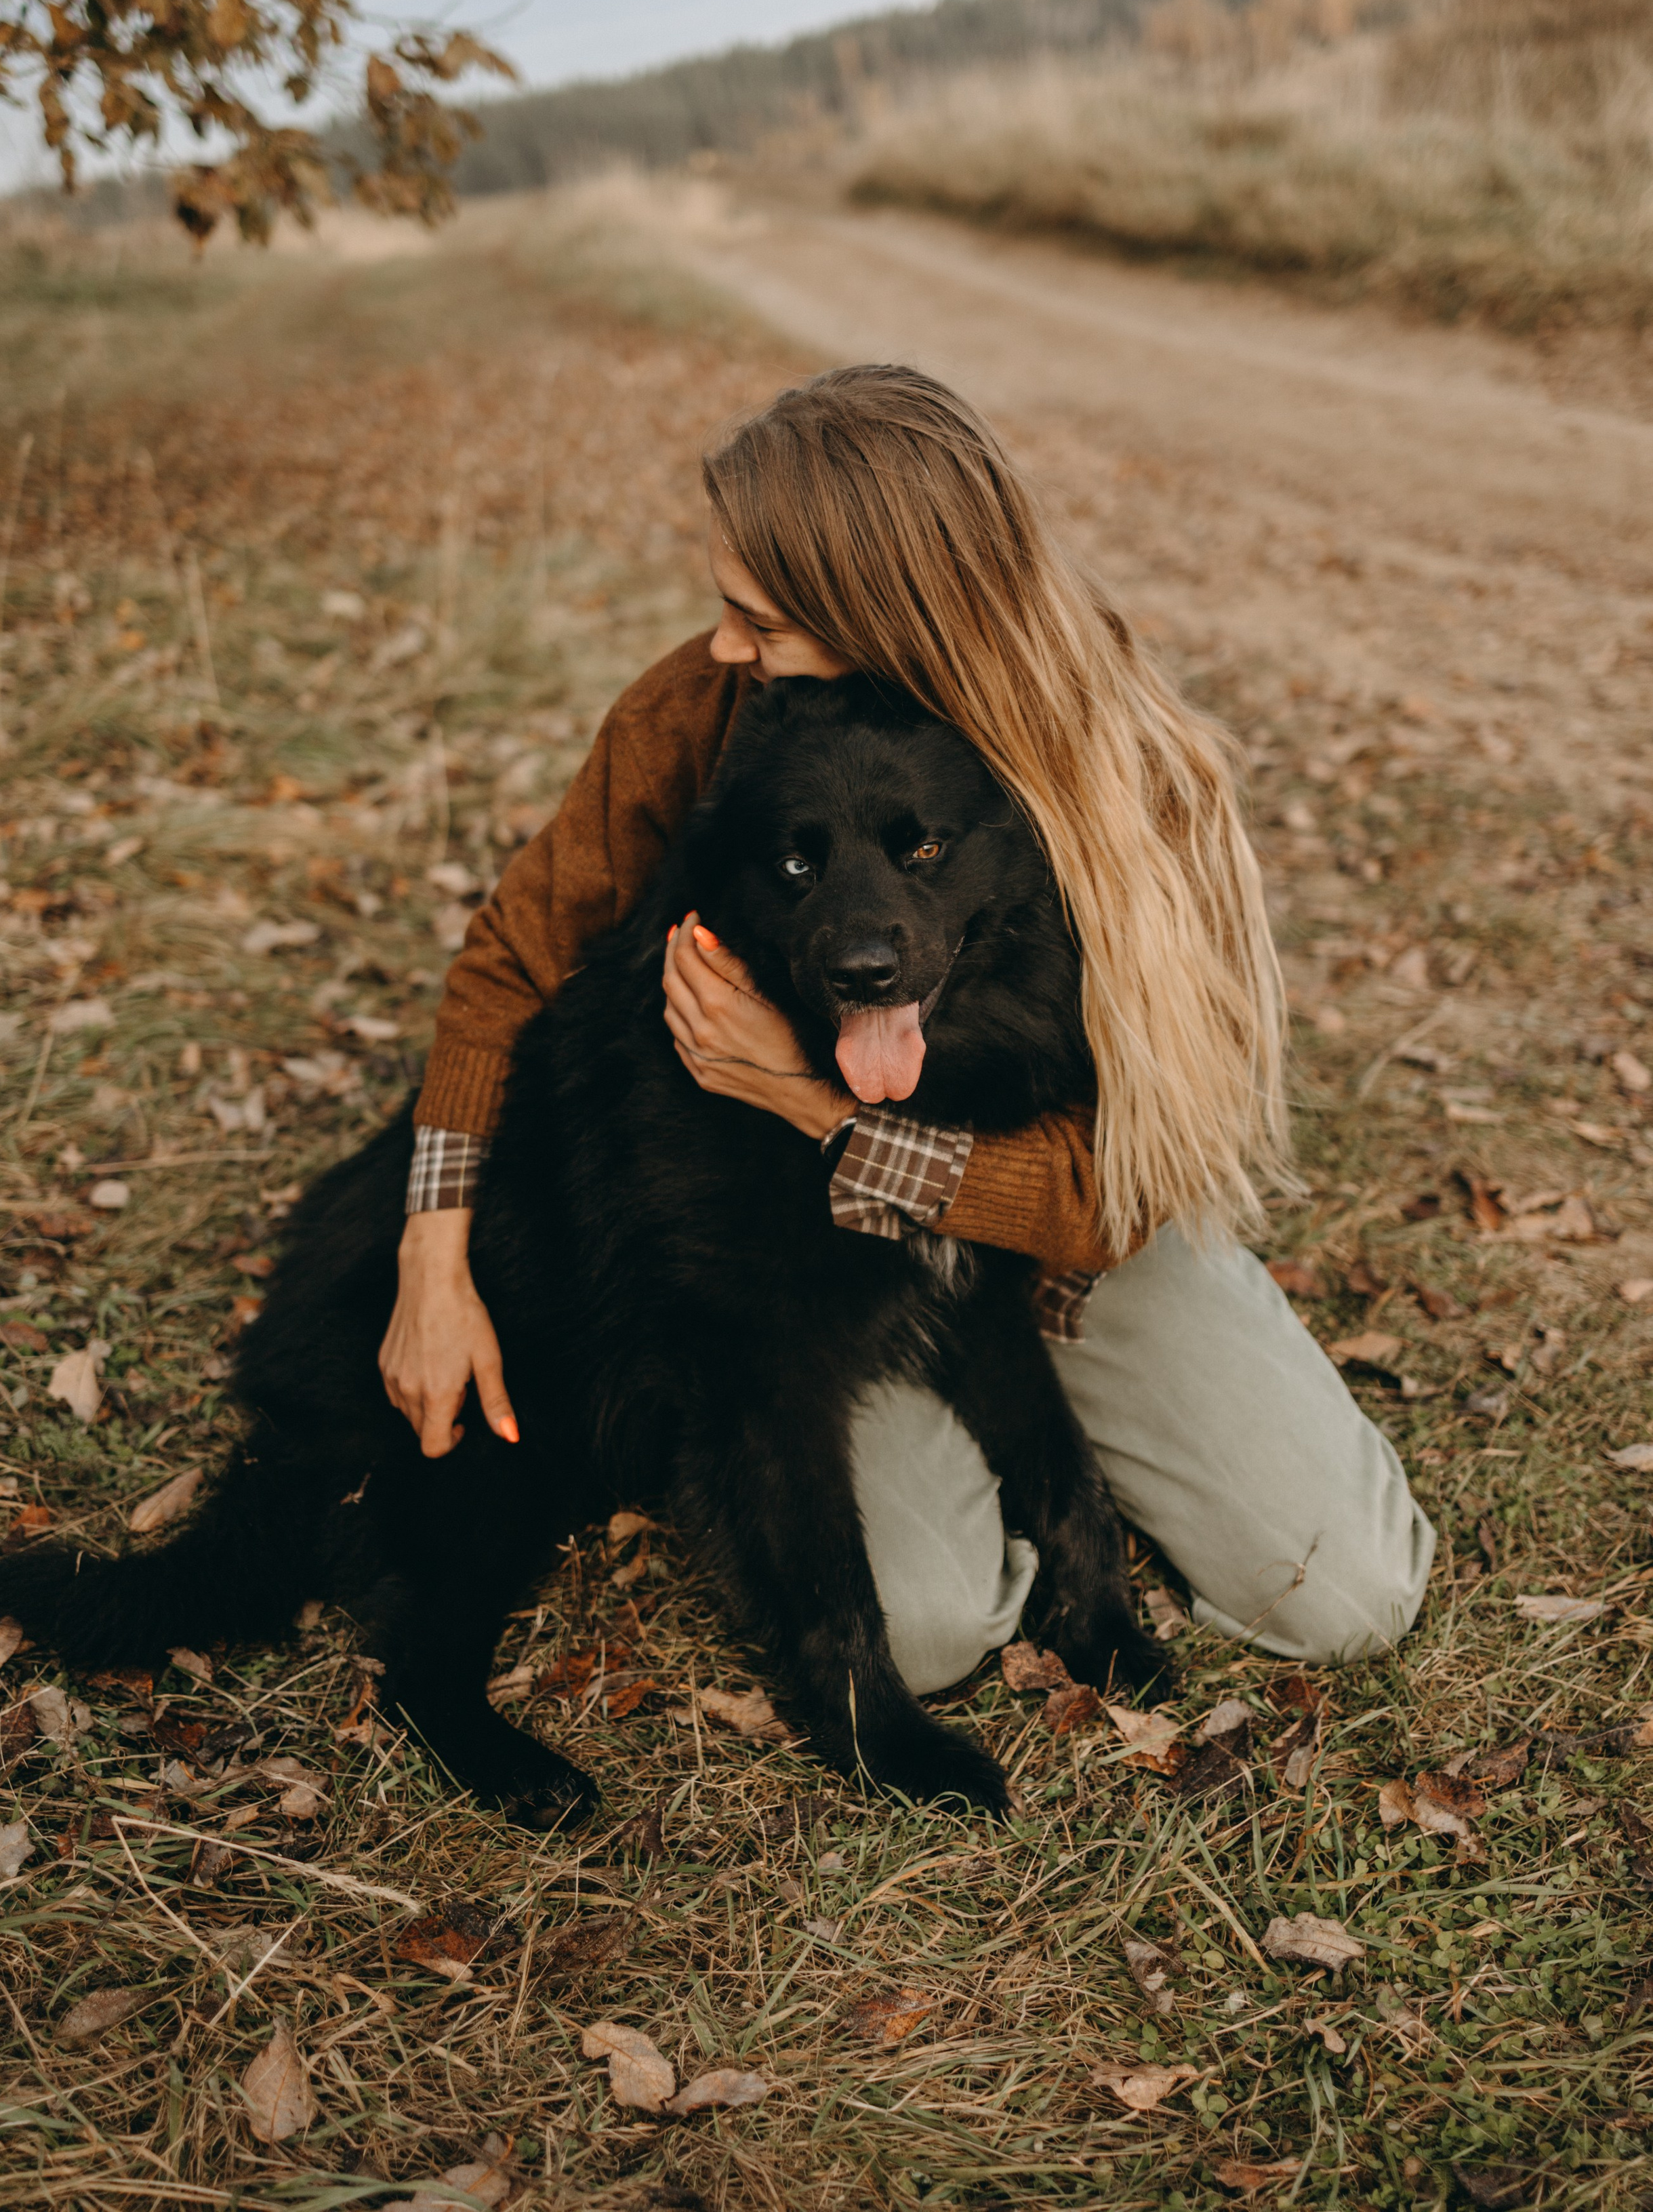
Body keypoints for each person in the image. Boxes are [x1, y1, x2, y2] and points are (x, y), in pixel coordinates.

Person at [382, 365, 1432, 1687]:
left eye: (754, 618)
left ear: (885, 614)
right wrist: (434, 1258)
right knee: (928, 1634)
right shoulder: (701, 712)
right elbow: (507, 959)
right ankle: (949, 1410)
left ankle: (1113, 1416)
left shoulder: (1132, 770)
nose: (722, 646)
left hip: (1075, 1232)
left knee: (1347, 1596)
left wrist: (812, 1108)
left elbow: (1105, 1203)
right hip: (816, 1243)